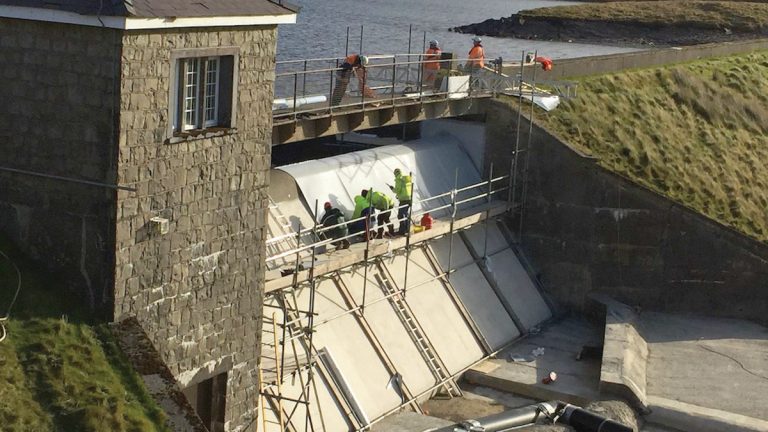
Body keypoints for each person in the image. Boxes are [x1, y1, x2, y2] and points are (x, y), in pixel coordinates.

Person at [388, 168, 413, 235]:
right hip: (409, 198)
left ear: (395, 173)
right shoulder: (406, 178)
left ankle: (402, 231)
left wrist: (392, 188)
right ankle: (407, 229)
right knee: (406, 214)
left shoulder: (398, 180)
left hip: (403, 200)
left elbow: (397, 190)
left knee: (400, 215)